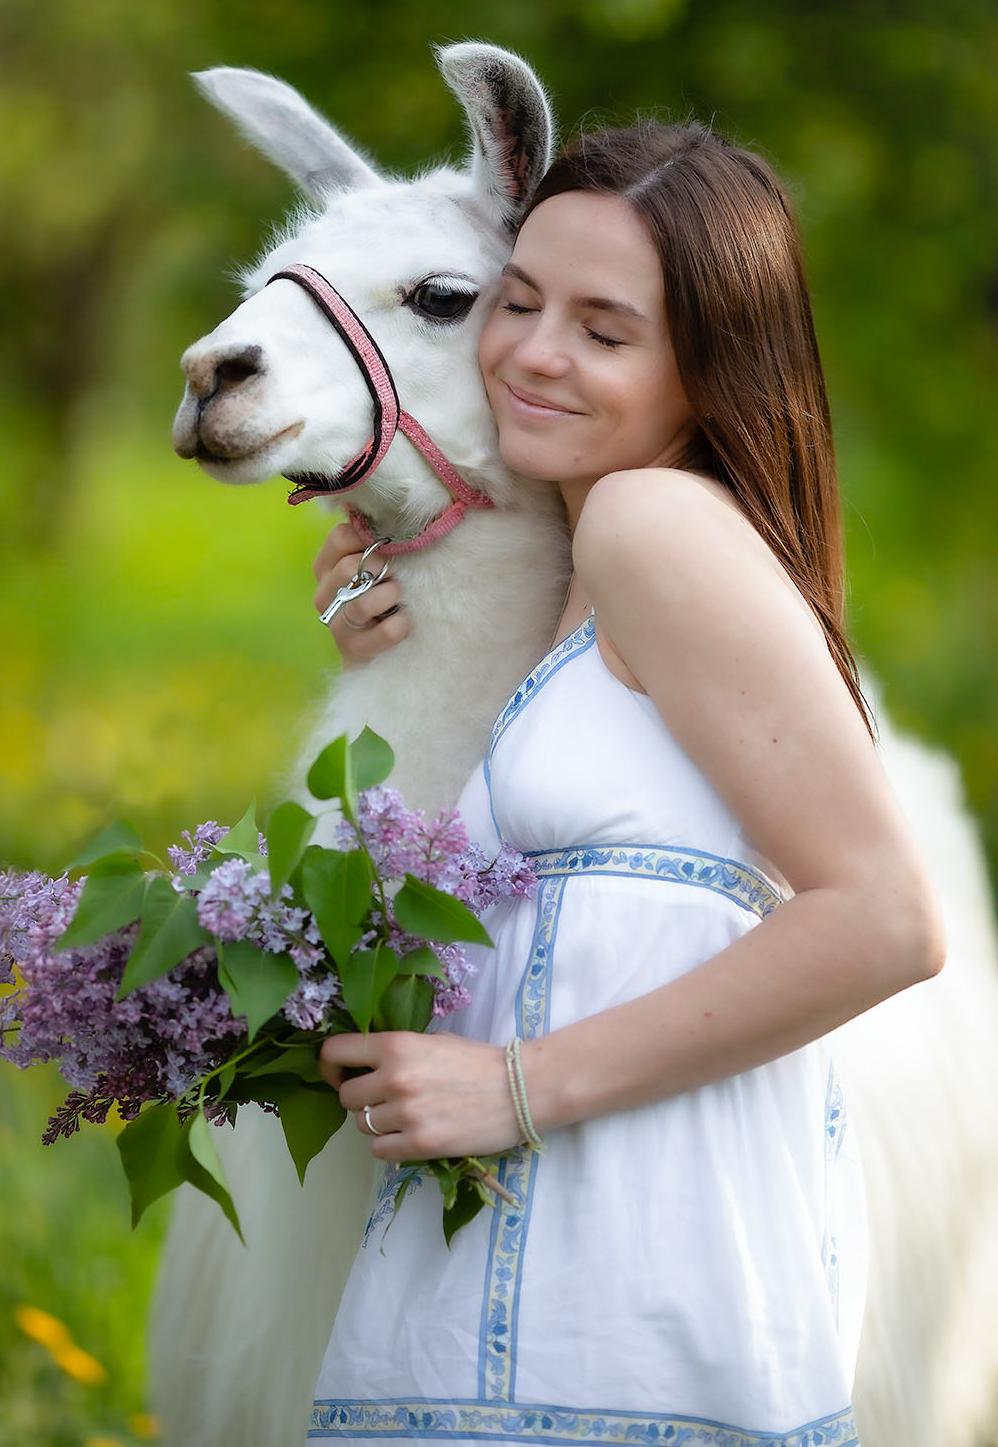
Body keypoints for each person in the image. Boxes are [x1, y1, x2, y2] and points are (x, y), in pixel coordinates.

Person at [305, 121, 945, 1445]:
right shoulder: (596, 551)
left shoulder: (656, 527)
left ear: (706, 367)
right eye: (517, 300)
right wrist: (402, 587)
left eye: (604, 330)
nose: (532, 353)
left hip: (616, 1334)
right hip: (560, 1317)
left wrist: (517, 1084)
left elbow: (886, 915)